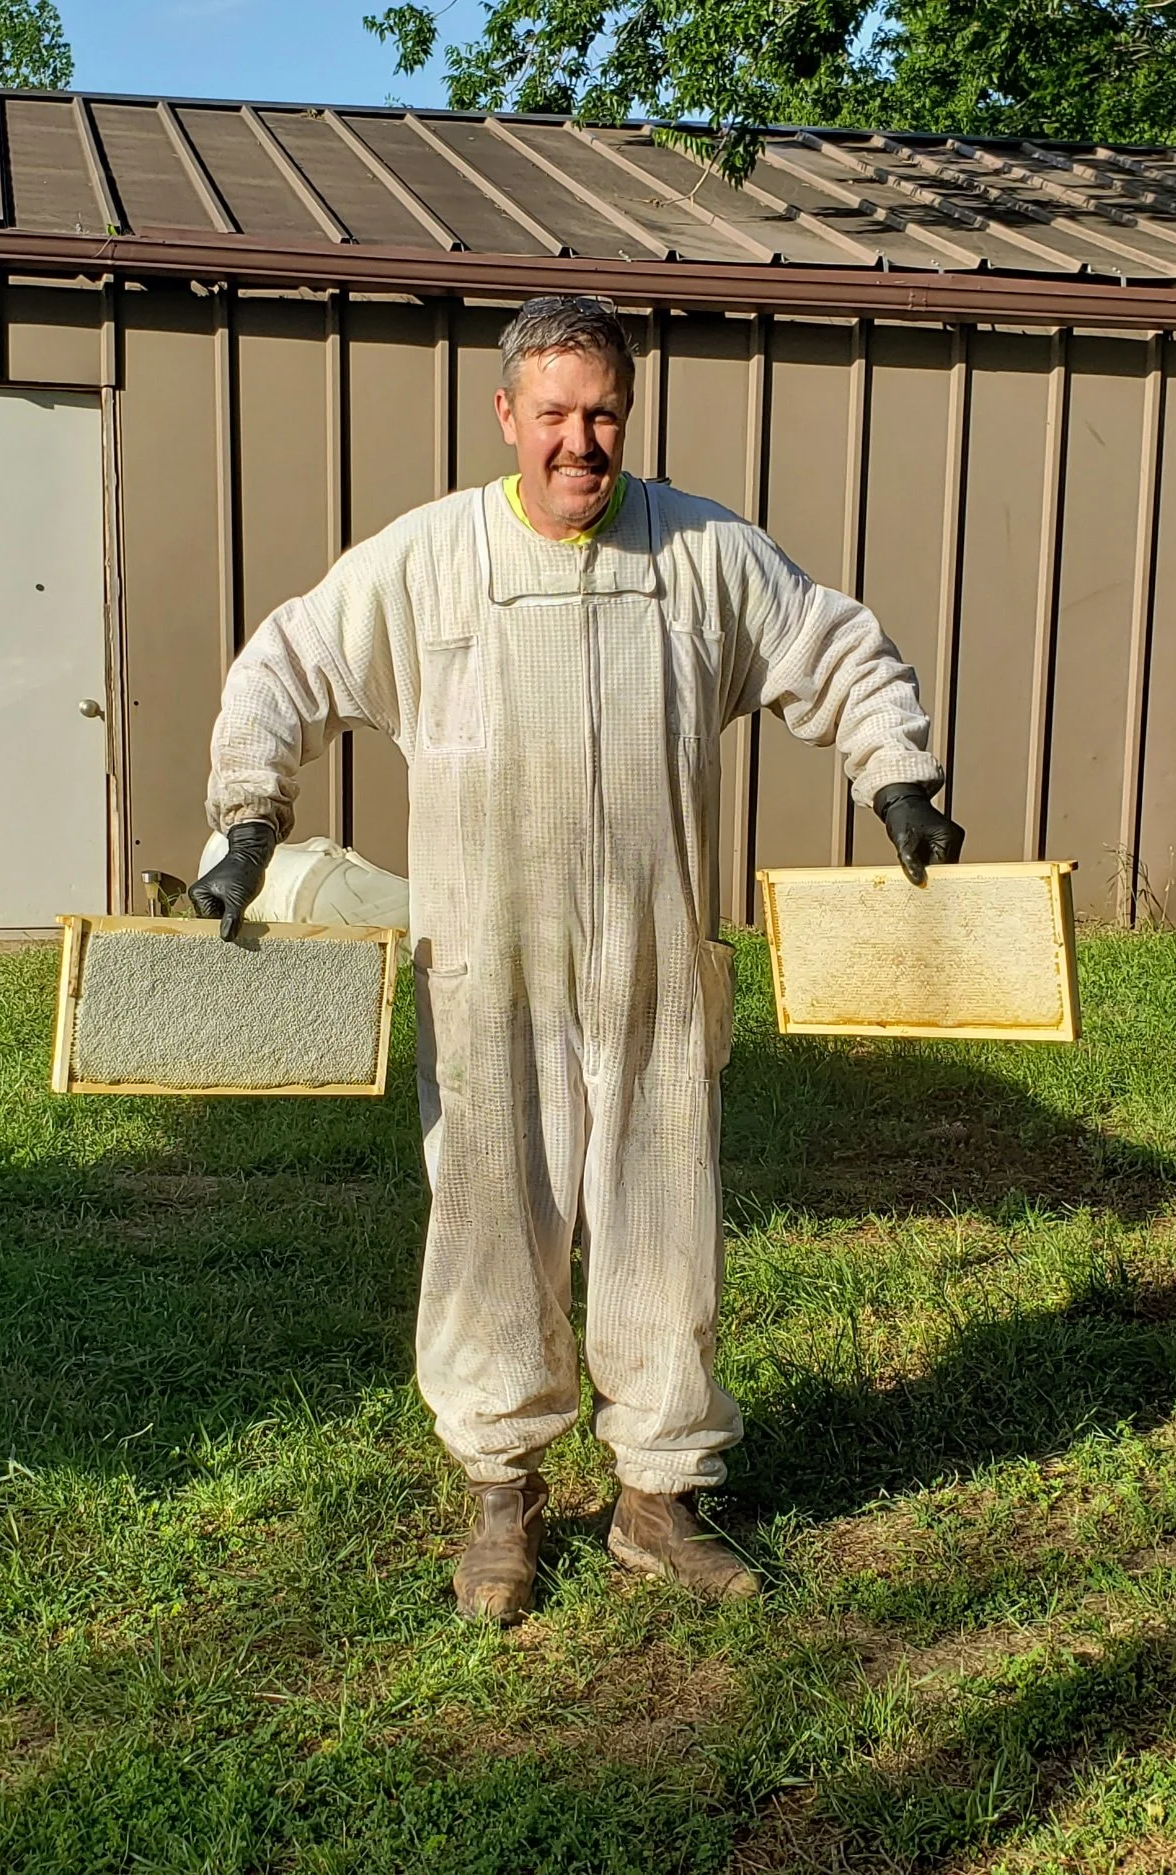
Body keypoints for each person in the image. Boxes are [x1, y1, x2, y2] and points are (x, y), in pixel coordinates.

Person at [190, 295, 962, 1624]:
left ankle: (661, 1498)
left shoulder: (705, 550)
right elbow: (285, 664)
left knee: (667, 1220)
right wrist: (248, 818)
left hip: (653, 962)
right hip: (486, 970)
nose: (579, 440)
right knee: (491, 1218)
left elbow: (829, 643)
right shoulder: (426, 560)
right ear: (506, 417)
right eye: (552, 412)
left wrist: (894, 769)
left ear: (627, 413)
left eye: (601, 412)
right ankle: (504, 1494)